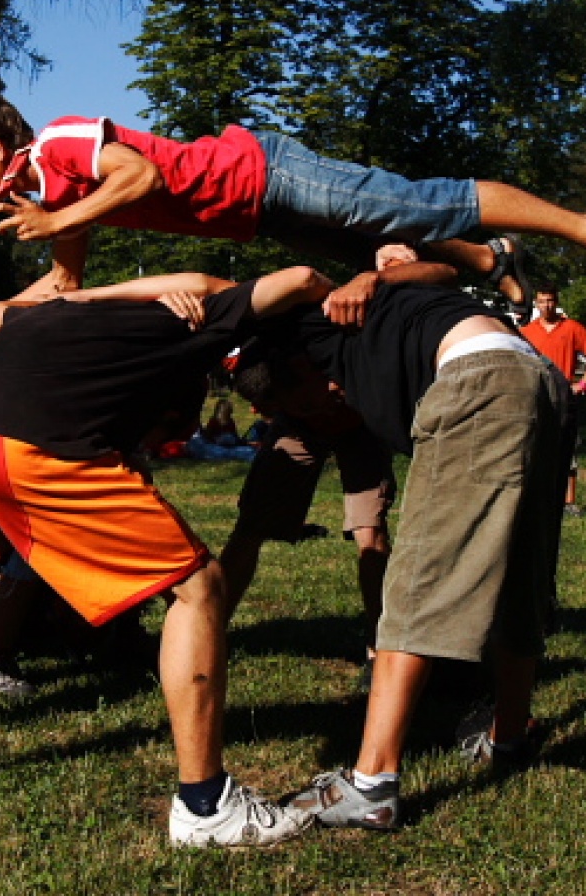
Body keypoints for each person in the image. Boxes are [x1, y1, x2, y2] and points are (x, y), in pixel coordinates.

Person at [0, 266, 333, 848]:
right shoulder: (196, 315)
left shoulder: (49, 311)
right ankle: (205, 805)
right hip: (28, 440)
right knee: (199, 588)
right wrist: (342, 291)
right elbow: (300, 277)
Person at [227, 261, 564, 832]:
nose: (328, 401)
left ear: (300, 362)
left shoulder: (315, 320)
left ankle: (371, 784)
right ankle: (508, 735)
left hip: (476, 377)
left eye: (312, 395)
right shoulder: (371, 327)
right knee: (519, 573)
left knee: (413, 582)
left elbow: (222, 294)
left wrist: (370, 277)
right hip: (537, 376)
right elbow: (438, 268)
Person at [0, 93, 586, 314]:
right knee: (387, 248)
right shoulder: (54, 195)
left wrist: (56, 219)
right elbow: (66, 286)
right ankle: (494, 259)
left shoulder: (58, 144)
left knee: (423, 205)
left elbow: (143, 178)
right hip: (257, 214)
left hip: (265, 173)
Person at [519, 285, 586, 517]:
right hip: (537, 395)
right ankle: (537, 499)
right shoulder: (527, 332)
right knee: (533, 446)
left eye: (550, 301)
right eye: (542, 301)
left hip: (565, 396)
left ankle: (569, 502)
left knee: (567, 447)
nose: (547, 306)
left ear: (556, 302)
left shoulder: (572, 328)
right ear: (536, 304)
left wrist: (583, 382)